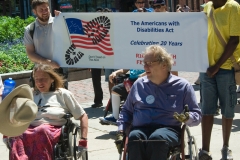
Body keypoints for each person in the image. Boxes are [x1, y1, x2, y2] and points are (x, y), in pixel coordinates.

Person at [115, 45, 202, 159]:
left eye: (150, 63)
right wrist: (121, 130)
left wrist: (187, 117)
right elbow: (127, 110)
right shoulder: (139, 84)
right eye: (144, 63)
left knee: (157, 138)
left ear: (164, 65)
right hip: (141, 128)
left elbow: (196, 114)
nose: (145, 67)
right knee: (135, 137)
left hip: (168, 129)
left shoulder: (182, 86)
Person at [8, 64, 88, 159]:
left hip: (52, 129)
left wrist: (83, 140)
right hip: (30, 127)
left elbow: (83, 116)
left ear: (52, 79)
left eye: (43, 79)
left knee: (41, 130)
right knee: (16, 134)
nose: (39, 82)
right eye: (37, 79)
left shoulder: (62, 94)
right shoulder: (31, 94)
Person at [199, 1, 240, 160]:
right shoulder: (207, 7)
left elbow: (234, 40)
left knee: (227, 110)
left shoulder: (233, 7)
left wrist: (216, 66)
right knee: (207, 110)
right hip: (207, 68)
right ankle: (205, 150)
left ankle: (225, 148)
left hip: (226, 68)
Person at [24, 0, 69, 89]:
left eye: (46, 9)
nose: (45, 12)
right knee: (41, 100)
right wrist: (48, 63)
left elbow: (71, 38)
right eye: (41, 10)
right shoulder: (30, 29)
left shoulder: (59, 23)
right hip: (40, 72)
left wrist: (63, 20)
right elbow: (30, 54)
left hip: (59, 70)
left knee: (61, 98)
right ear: (34, 11)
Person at [90, 7, 115, 108]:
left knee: (112, 78)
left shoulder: (112, 27)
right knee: (95, 79)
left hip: (109, 56)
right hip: (96, 56)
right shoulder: (93, 29)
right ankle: (98, 100)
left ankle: (113, 101)